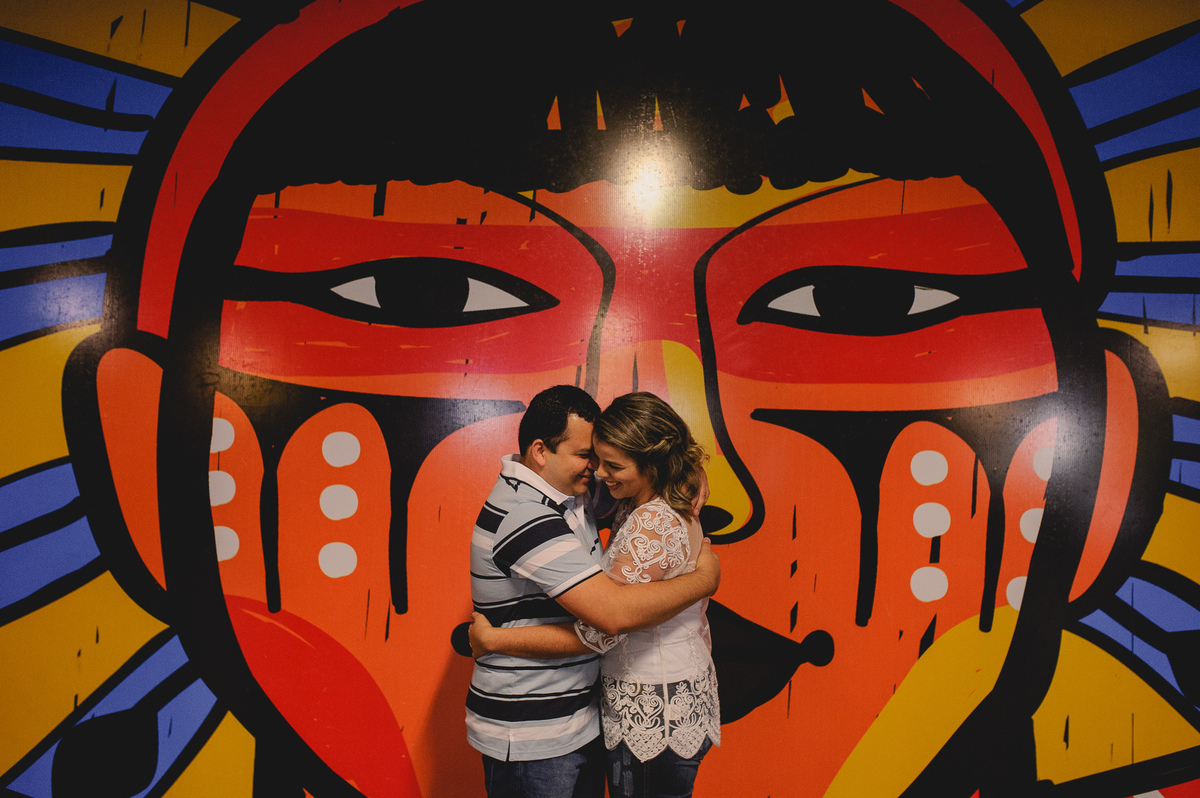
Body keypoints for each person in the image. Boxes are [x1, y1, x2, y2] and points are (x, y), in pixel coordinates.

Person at [466, 385, 720, 798]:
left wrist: (686, 472)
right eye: (587, 455)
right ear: (541, 451)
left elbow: (645, 474)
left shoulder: (573, 492)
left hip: (579, 720)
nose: (598, 470)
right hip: (533, 731)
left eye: (603, 459)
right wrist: (704, 580)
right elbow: (611, 616)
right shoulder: (526, 515)